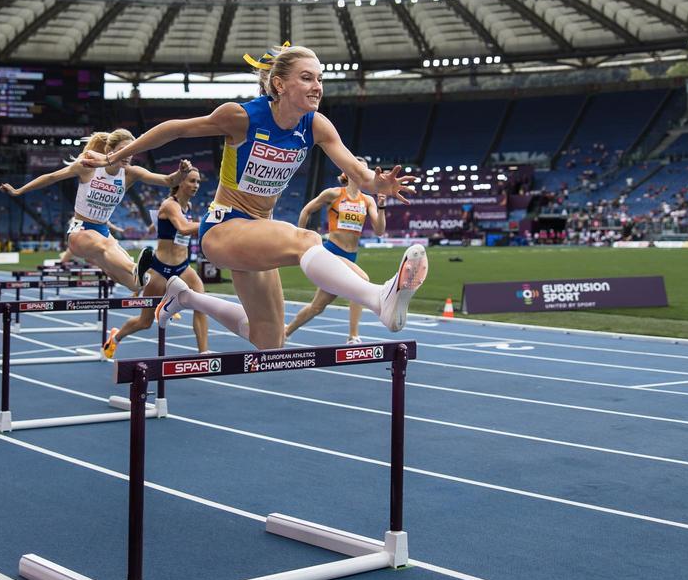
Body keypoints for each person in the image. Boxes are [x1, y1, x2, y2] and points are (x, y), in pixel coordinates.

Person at [80, 43, 427, 350]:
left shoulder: (316, 125)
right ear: (280, 84)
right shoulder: (242, 117)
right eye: (307, 78)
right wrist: (112, 159)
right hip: (224, 227)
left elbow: (358, 171)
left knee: (269, 339)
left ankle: (186, 297)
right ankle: (378, 298)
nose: (317, 87)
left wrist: (378, 185)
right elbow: (176, 128)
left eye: (320, 79)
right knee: (306, 239)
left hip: (259, 231)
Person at [0, 129, 190, 292]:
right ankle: (135, 267)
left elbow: (168, 181)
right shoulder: (88, 168)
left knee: (136, 286)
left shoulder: (131, 173)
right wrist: (19, 190)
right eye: (123, 151)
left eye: (132, 151)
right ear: (110, 151)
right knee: (107, 247)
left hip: (103, 233)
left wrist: (181, 173)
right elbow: (51, 177)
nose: (128, 155)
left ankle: (139, 275)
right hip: (80, 231)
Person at [102, 167, 209, 358]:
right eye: (192, 181)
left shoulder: (188, 207)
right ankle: (115, 338)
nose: (196, 186)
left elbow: (170, 226)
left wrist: (154, 226)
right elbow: (184, 229)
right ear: (180, 182)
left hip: (183, 268)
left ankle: (203, 354)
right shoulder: (170, 205)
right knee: (145, 322)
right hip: (161, 270)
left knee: (201, 305)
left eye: (198, 182)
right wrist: (212, 224)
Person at [284, 158, 387, 343]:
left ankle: (285, 332)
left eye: (364, 169)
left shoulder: (368, 200)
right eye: (358, 168)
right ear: (347, 171)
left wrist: (381, 207)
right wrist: (301, 236)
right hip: (331, 253)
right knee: (361, 282)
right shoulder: (333, 194)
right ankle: (353, 336)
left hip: (350, 256)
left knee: (317, 307)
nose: (362, 172)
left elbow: (380, 230)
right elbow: (307, 210)